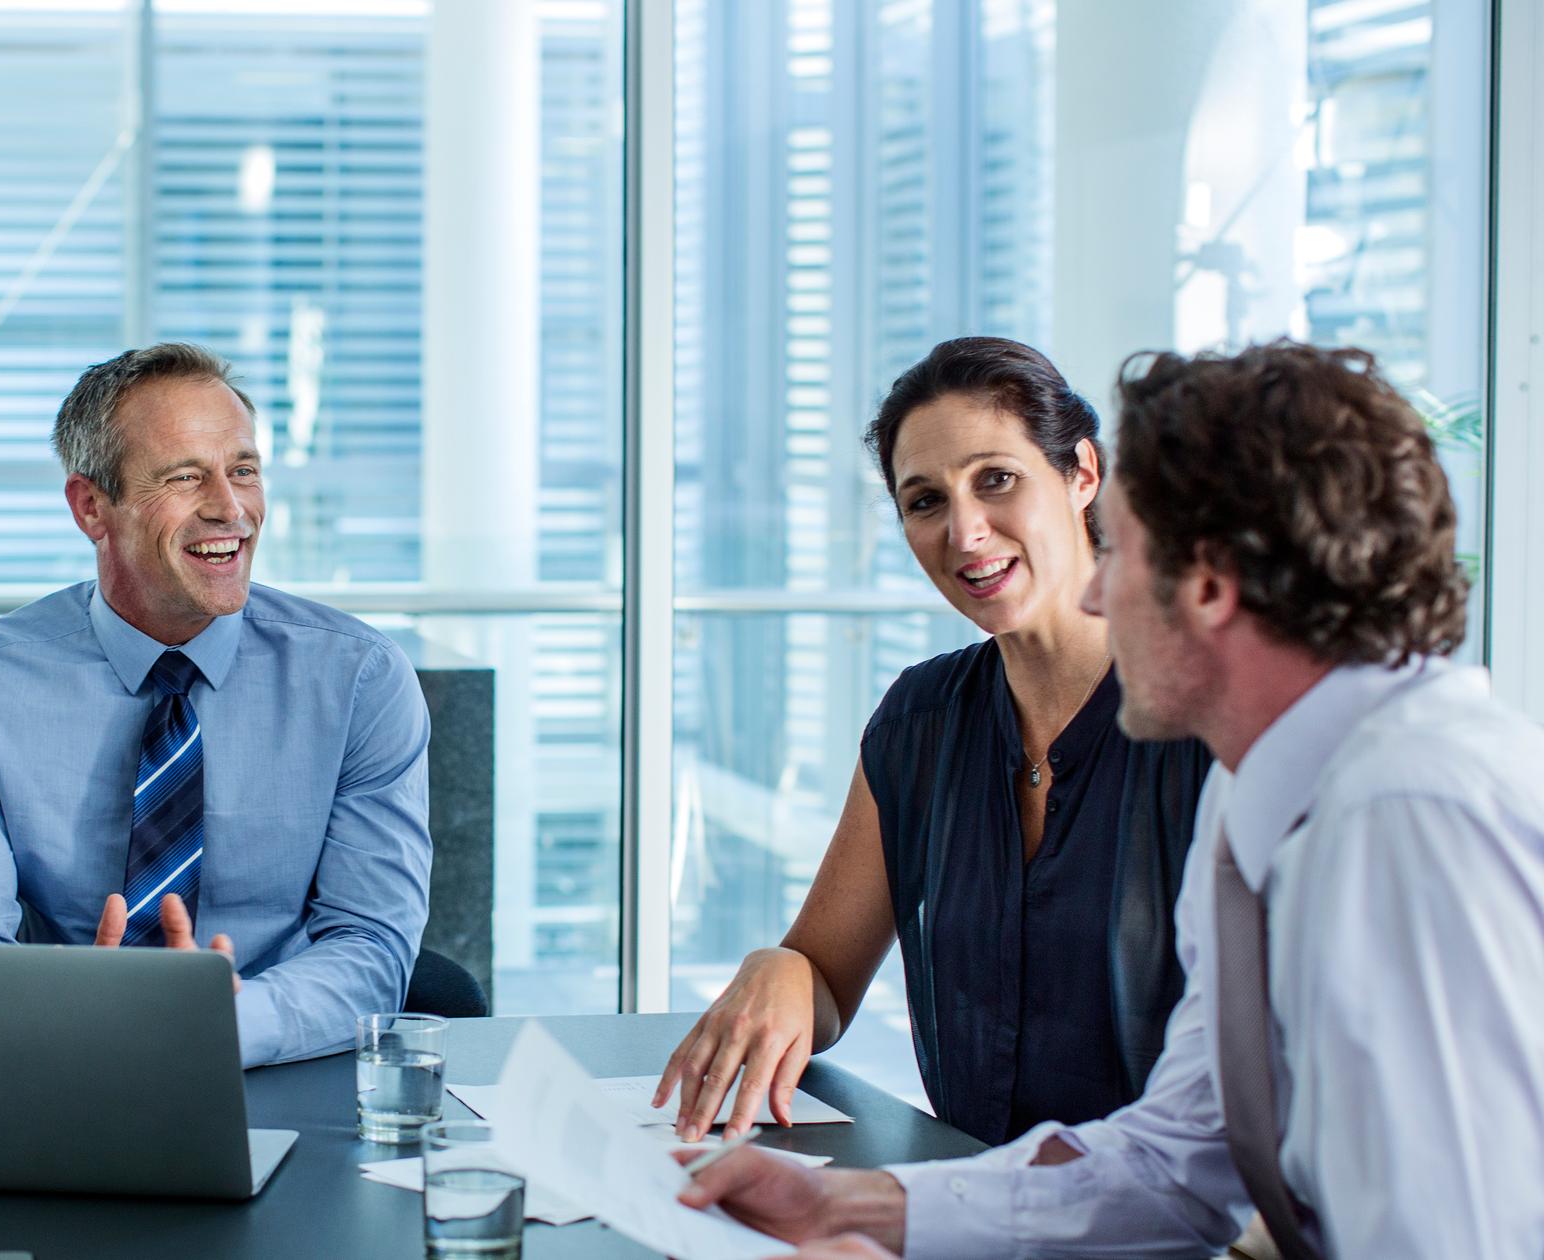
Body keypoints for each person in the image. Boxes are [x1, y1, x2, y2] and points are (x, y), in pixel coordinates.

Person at [679, 341, 1544, 1258]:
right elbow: (1171, 1167)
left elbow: (1455, 1238)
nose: (1099, 588)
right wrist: (850, 1209)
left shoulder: (1409, 811)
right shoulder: (1259, 802)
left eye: (1122, 552)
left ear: (1207, 586)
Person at [655, 337, 1210, 1144]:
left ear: (1082, 474)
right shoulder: (925, 719)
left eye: (997, 480)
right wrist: (780, 969)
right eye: (925, 501)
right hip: (970, 1206)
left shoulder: (1202, 719)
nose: (966, 531)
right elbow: (827, 980)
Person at [0, 342, 432, 1068]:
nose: (230, 508)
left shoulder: (358, 680)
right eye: (186, 478)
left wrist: (224, 1023)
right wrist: (60, 1009)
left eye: (243, 471)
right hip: (62, 1057)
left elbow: (371, 945)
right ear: (92, 507)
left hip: (284, 1059)